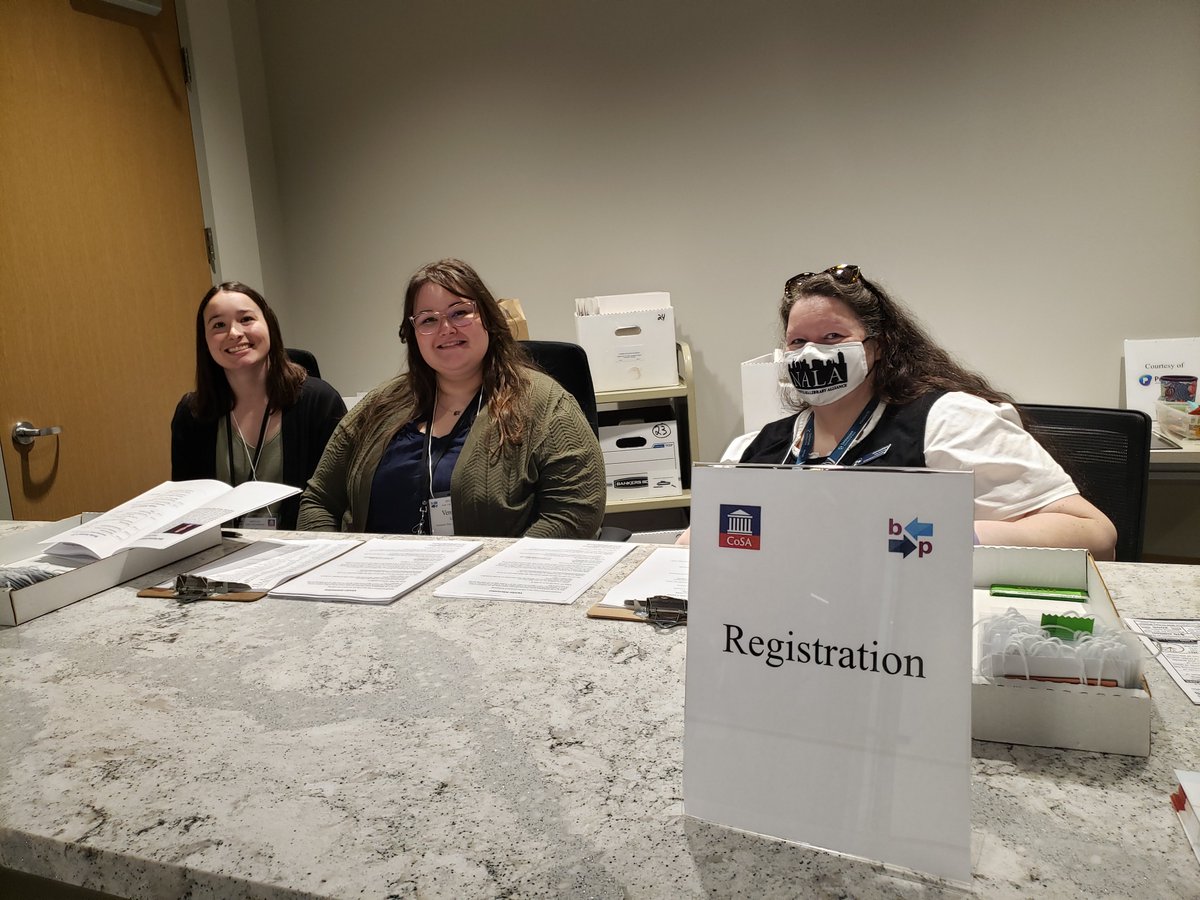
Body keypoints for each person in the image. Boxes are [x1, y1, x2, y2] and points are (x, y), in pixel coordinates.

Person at [680, 264, 1117, 558]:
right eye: (798, 342)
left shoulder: (946, 422)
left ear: (878, 345)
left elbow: (1094, 534)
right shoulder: (757, 446)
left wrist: (945, 541)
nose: (812, 353)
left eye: (832, 337)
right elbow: (697, 546)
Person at [297, 258, 606, 538]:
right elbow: (319, 500)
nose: (446, 329)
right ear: (413, 334)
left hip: (492, 577)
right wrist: (331, 560)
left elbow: (576, 511)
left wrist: (505, 569)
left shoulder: (546, 404)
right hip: (377, 576)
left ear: (488, 318)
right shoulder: (379, 406)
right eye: (428, 320)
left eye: (460, 313)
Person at [171, 282, 347, 530]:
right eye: (218, 325)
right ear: (205, 340)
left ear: (269, 325)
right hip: (219, 551)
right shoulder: (192, 414)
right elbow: (185, 509)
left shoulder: (320, 402)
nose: (234, 333)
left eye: (246, 319)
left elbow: (338, 500)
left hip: (304, 546)